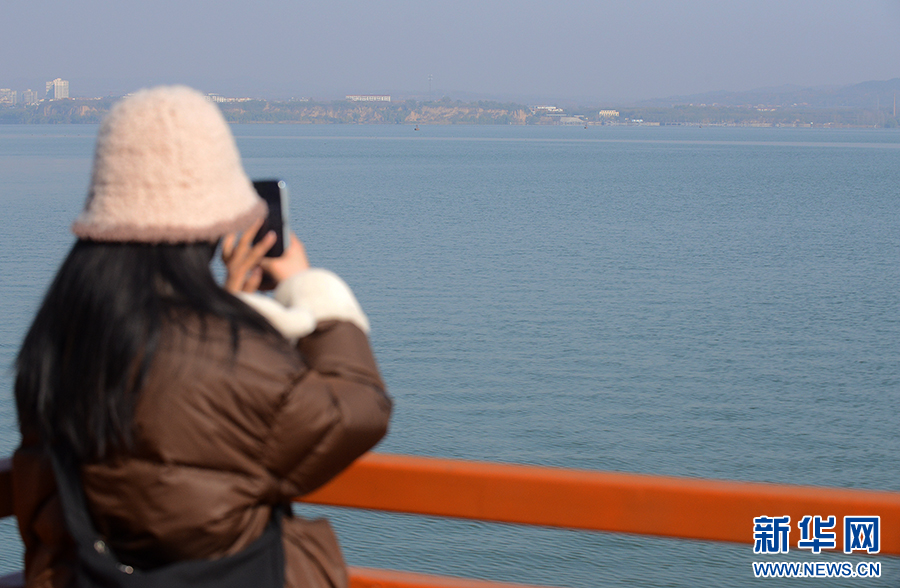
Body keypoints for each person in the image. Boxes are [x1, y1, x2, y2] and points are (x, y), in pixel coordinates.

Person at [12, 86, 392, 588]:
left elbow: (173, 404)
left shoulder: (59, 336)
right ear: (211, 223)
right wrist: (311, 290)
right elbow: (357, 409)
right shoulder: (228, 356)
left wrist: (229, 298)